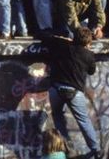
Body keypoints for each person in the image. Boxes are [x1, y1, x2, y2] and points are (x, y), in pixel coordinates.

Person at [42, 26, 100, 159]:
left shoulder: (62, 45)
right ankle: (95, 150)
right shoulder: (89, 55)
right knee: (83, 120)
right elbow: (91, 71)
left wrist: (62, 39)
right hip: (74, 91)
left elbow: (43, 36)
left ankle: (66, 148)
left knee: (58, 118)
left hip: (56, 89)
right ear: (87, 42)